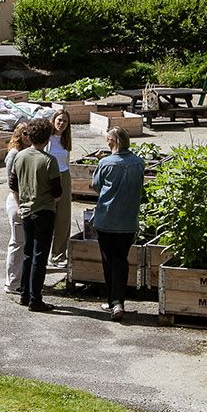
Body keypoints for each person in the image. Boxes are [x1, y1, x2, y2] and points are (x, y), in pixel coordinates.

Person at [90, 126, 146, 321]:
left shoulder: (105, 163)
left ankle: (113, 301)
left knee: (108, 260)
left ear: (113, 141)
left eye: (108, 139)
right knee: (121, 260)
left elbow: (96, 186)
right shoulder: (139, 163)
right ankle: (118, 301)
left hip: (106, 218)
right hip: (128, 220)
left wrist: (100, 163)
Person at [10, 117, 61, 312]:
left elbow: (13, 185)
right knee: (40, 256)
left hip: (26, 211)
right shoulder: (49, 161)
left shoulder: (20, 156)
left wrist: (21, 205)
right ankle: (35, 299)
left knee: (28, 253)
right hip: (44, 212)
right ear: (47, 138)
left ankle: (24, 294)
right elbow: (57, 192)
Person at [2, 123, 31, 294]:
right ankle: (12, 283)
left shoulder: (27, 152)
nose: (28, 136)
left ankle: (19, 279)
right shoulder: (14, 154)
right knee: (17, 242)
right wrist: (19, 205)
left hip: (24, 200)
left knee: (23, 242)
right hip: (16, 200)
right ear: (19, 135)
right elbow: (12, 184)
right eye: (25, 134)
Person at [46, 109, 73, 265]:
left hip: (64, 176)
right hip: (49, 178)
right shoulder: (47, 138)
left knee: (63, 217)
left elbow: (66, 160)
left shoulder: (65, 139)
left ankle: (58, 255)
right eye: (59, 120)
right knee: (48, 216)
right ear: (53, 120)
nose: (61, 124)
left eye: (65, 121)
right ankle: (45, 253)